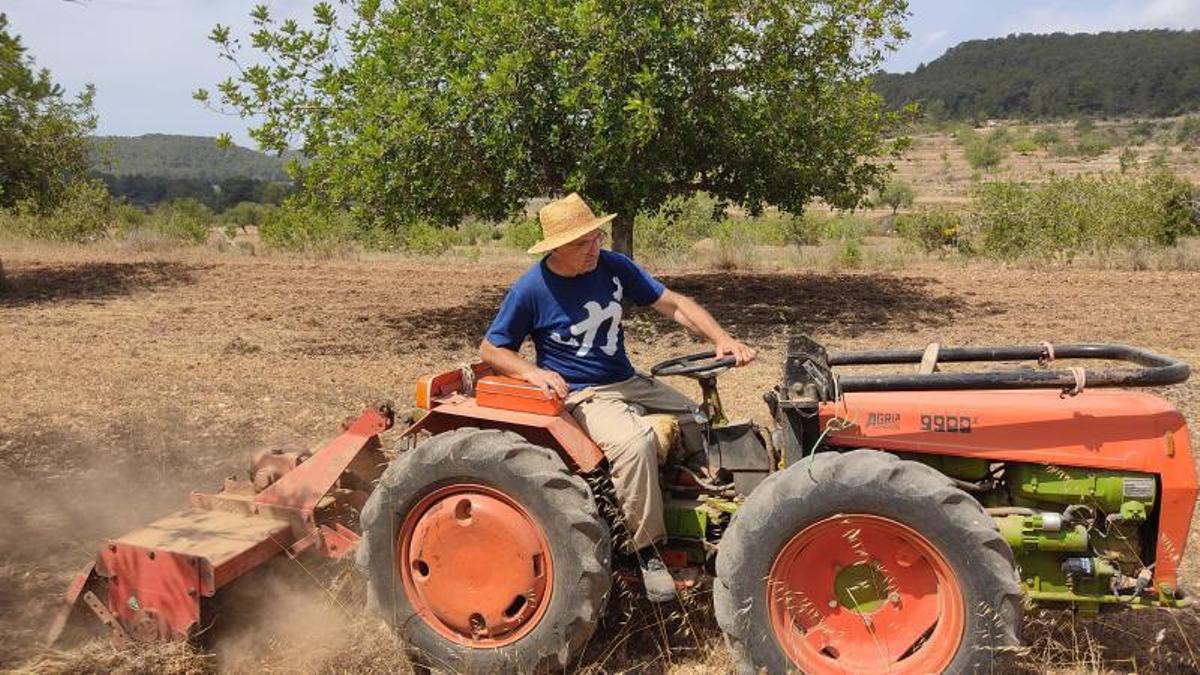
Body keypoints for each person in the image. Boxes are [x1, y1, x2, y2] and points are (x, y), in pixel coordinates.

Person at [480, 193, 756, 602]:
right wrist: (534, 372)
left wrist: (722, 339)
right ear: (557, 248)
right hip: (584, 393)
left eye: (596, 238)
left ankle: (699, 505)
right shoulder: (532, 289)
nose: (594, 248)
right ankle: (647, 550)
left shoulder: (613, 266)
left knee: (698, 421)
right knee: (634, 443)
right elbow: (491, 349)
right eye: (581, 244)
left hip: (627, 380)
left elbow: (674, 304)